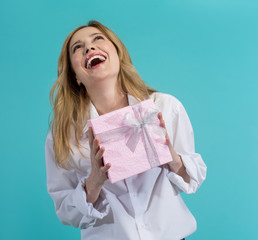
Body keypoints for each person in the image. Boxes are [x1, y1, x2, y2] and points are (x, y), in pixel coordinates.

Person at [45, 20, 207, 240]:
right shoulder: (63, 138)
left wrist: (172, 158)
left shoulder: (165, 108)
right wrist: (94, 182)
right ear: (75, 75)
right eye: (77, 47)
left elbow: (194, 178)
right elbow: (66, 211)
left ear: (118, 53)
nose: (89, 48)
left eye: (97, 39)